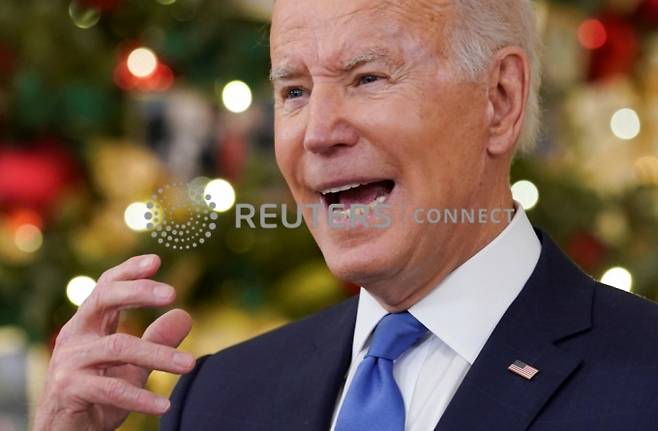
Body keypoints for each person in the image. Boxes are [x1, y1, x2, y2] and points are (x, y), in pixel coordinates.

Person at [34, 0, 658, 430]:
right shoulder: (219, 399)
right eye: (295, 92)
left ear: (499, 101)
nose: (318, 133)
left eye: (367, 78)